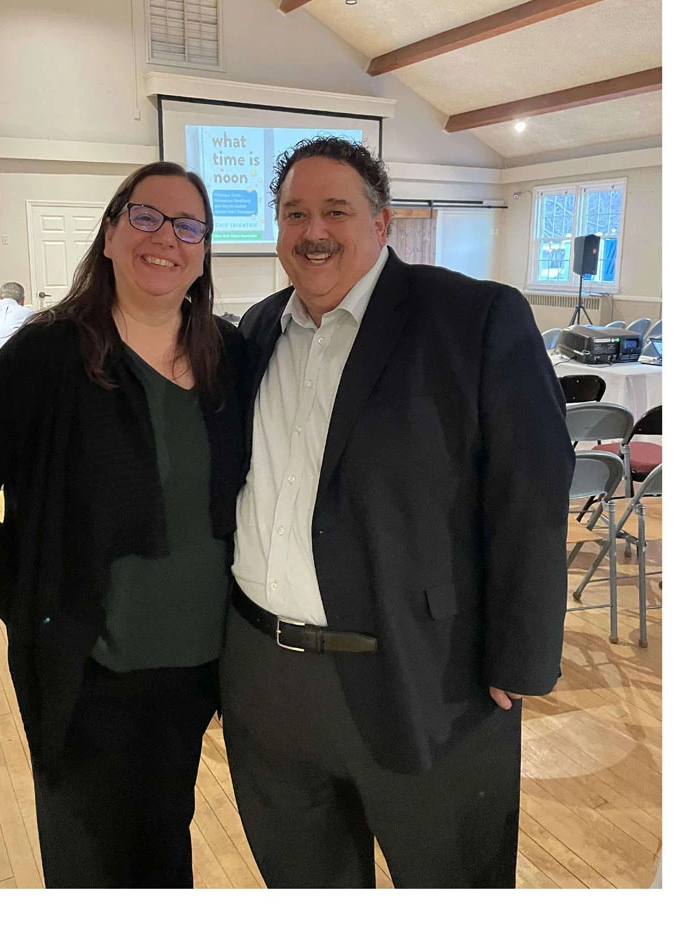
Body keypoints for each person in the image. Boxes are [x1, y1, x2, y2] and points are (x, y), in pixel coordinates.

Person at [220, 136, 574, 889]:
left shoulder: (472, 318)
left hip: (425, 678)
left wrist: (523, 653)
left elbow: (533, 488)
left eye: (336, 210)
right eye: (295, 213)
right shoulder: (255, 330)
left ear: (382, 223)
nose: (313, 231)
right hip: (264, 681)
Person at [0, 162, 245, 888]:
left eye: (189, 226)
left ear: (204, 251)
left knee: (164, 850)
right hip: (88, 670)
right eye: (146, 216)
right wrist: (23, 594)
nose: (167, 238)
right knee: (89, 865)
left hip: (193, 671)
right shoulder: (47, 354)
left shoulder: (231, 358)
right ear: (109, 233)